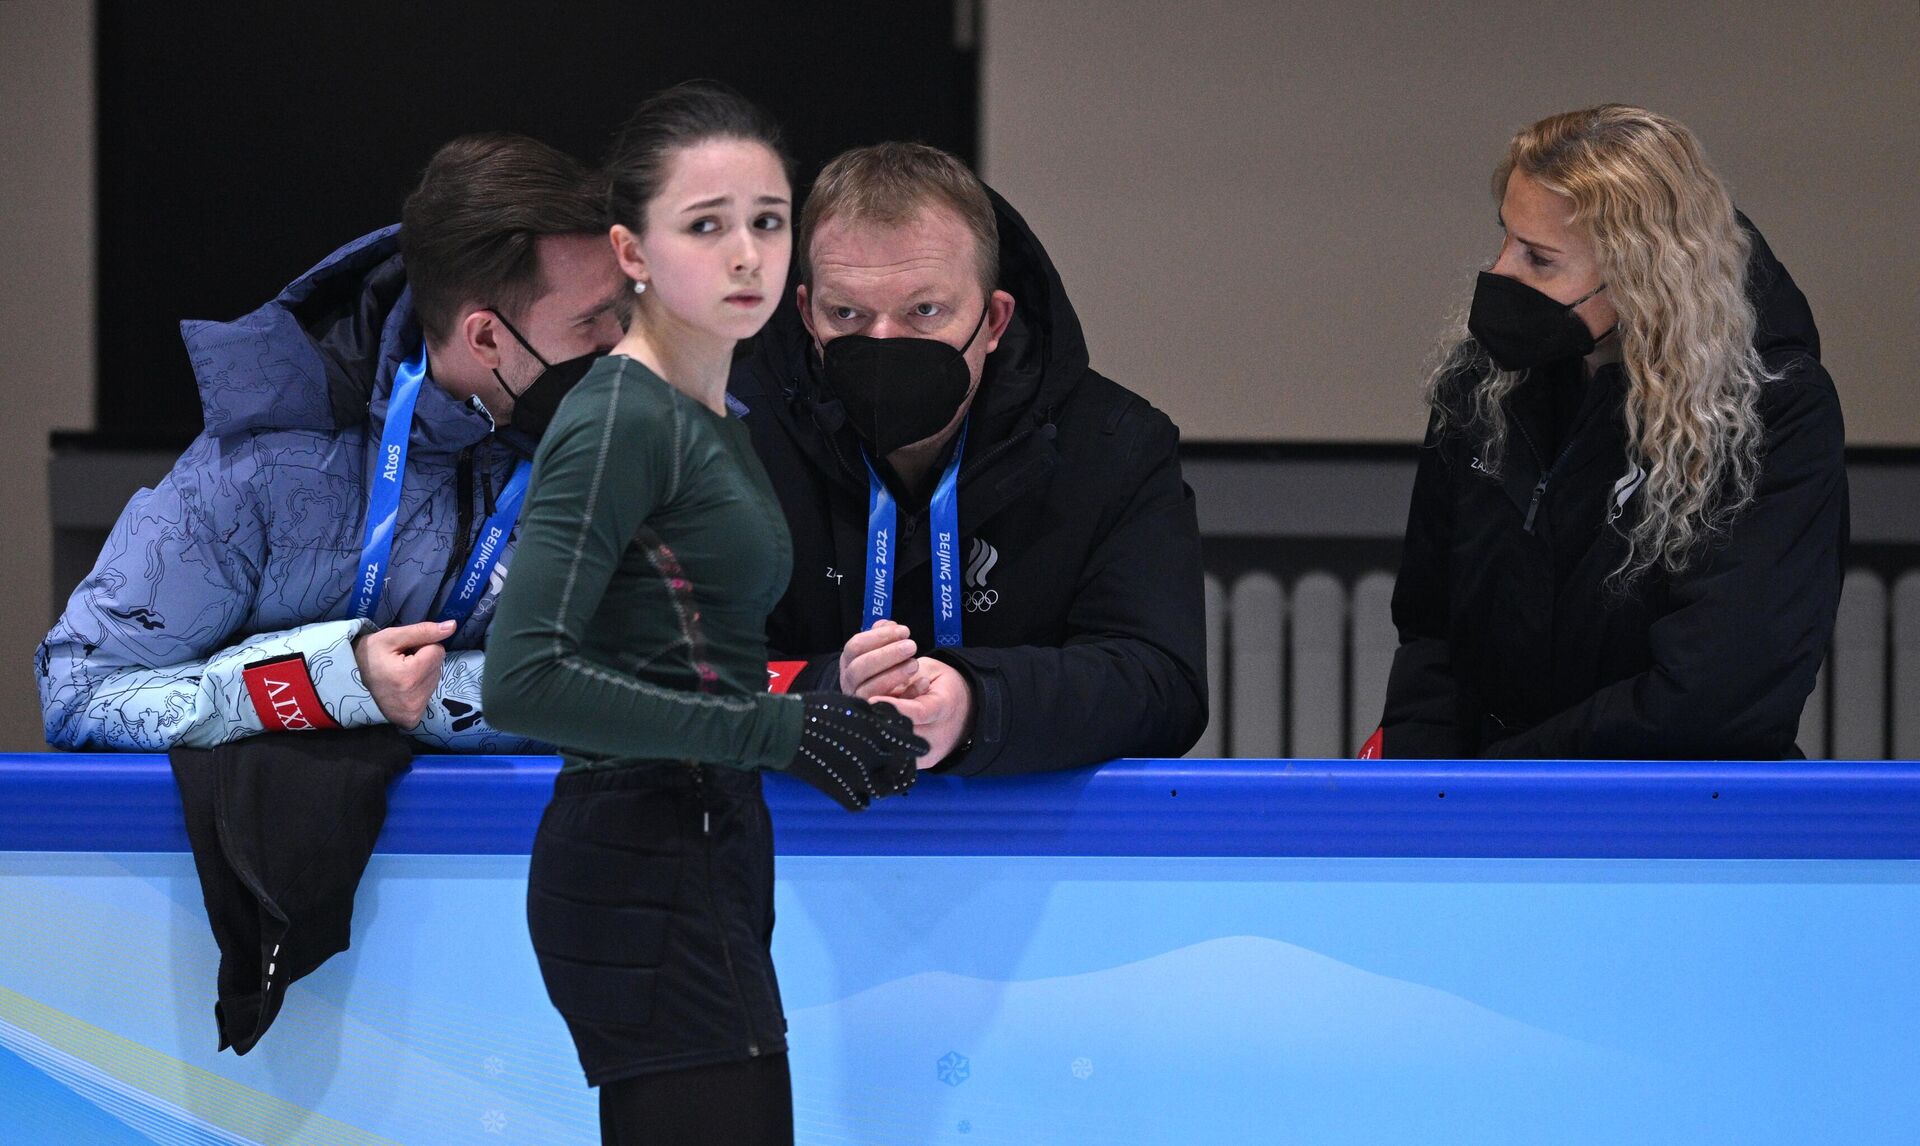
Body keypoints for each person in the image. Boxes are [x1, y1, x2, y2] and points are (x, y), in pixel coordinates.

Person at [481, 83, 925, 1144]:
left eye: (767, 223)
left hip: (700, 845)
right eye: (707, 226)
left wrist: (814, 699)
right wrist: (780, 730)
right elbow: (521, 677)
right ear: (633, 253)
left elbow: (682, 650)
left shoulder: (709, 414)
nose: (746, 258)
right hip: (643, 861)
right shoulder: (621, 415)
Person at [38, 132, 627, 751]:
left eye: (622, 309)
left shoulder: (617, 444)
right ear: (485, 339)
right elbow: (79, 694)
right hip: (272, 846)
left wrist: (417, 696)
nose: (621, 341)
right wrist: (332, 681)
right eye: (590, 321)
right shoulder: (260, 469)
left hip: (506, 844)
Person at [1379, 104, 1847, 759]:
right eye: (1505, 238)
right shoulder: (1484, 382)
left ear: (1643, 274)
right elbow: (1430, 631)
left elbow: (1715, 696)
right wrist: (1423, 800)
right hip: (1484, 821)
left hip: (1675, 827)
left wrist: (1499, 783)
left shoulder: (1774, 410)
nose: (1500, 273)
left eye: (1540, 259)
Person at [729, 142, 1207, 775]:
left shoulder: (1116, 445)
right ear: (805, 314)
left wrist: (975, 703)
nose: (882, 344)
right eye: (847, 312)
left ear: (994, 319)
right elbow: (657, 673)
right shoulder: (722, 438)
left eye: (924, 311)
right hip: (791, 843)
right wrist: (825, 693)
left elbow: (1162, 684)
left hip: (1033, 855)